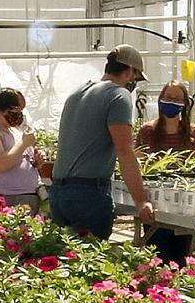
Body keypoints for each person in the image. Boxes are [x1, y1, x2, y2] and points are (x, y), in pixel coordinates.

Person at [49, 45, 156, 239]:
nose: (134, 83)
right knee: (90, 261)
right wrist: (141, 201)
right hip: (88, 195)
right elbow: (124, 152)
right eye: (136, 77)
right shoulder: (118, 96)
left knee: (64, 260)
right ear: (130, 71)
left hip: (58, 193)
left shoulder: (77, 93)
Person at [136, 81, 195, 263]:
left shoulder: (194, 133)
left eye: (176, 99)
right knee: (159, 255)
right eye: (167, 98)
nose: (171, 102)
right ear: (160, 100)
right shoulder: (147, 131)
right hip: (156, 203)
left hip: (185, 205)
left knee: (181, 256)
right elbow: (138, 164)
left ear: (185, 104)